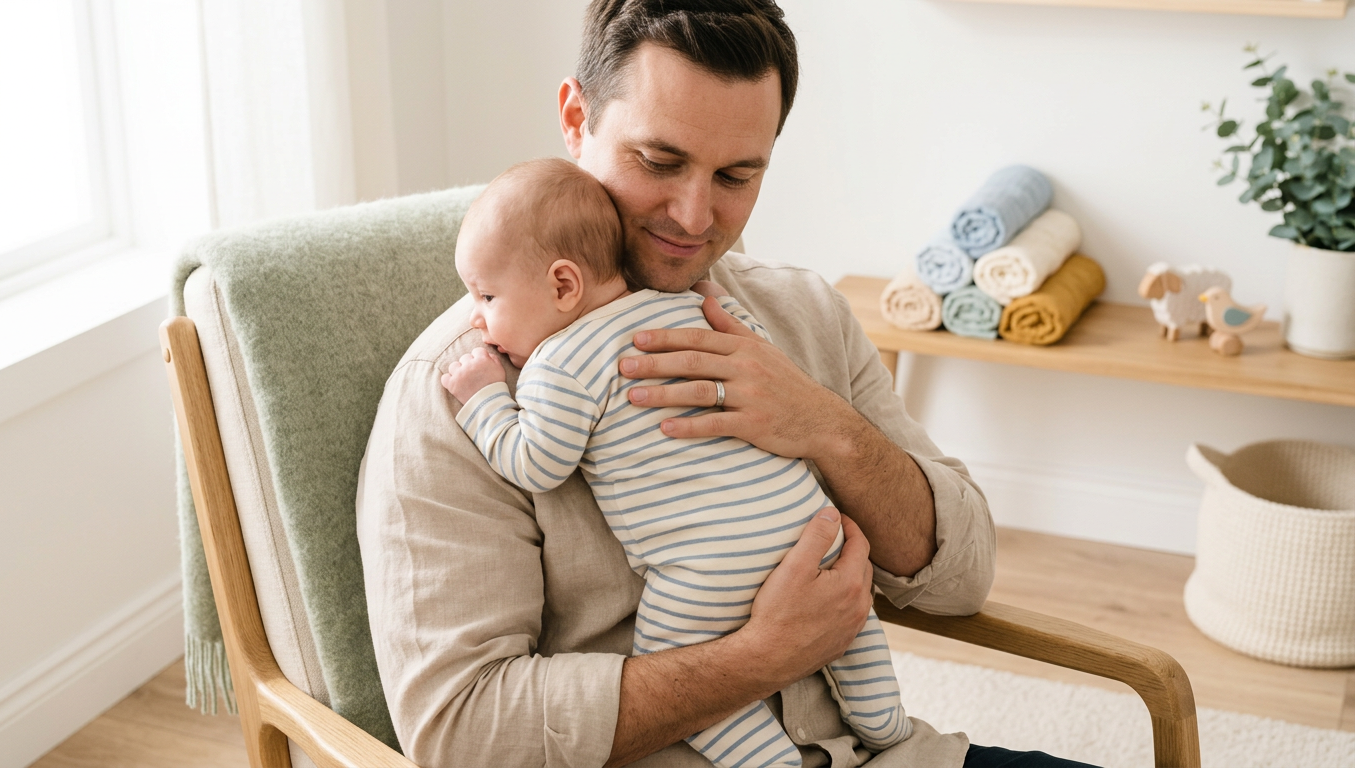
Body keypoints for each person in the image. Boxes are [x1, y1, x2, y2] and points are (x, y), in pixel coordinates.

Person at [357, 2, 1094, 766]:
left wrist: (826, 428)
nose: (693, 216)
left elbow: (961, 578)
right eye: (659, 161)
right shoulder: (460, 397)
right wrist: (759, 657)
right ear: (577, 119)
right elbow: (461, 733)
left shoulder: (800, 312)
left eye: (737, 175)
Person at [437, 156, 913, 768]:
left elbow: (536, 463)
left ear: (563, 286)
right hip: (805, 526)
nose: (474, 318)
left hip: (705, 571)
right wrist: (722, 303)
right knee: (850, 607)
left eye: (486, 295)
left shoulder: (558, 363)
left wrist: (483, 399)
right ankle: (886, 721)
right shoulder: (688, 306)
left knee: (669, 654)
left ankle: (769, 762)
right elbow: (759, 350)